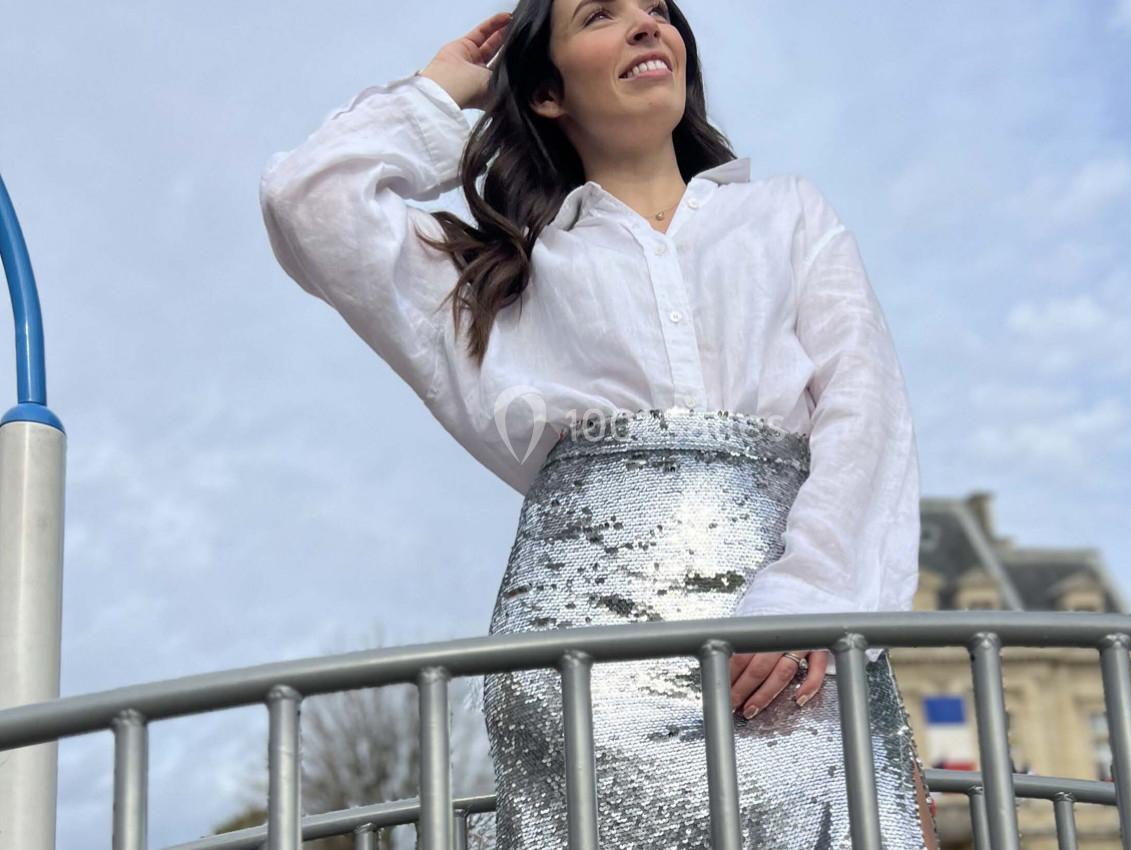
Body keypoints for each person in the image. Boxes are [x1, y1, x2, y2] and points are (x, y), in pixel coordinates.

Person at [258, 1, 939, 847]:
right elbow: (307, 199)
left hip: (797, 644)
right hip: (590, 669)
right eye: (602, 16)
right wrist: (445, 91)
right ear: (548, 90)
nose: (648, 25)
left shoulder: (789, 216)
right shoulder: (497, 274)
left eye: (658, 10)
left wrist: (812, 593)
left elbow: (865, 412)